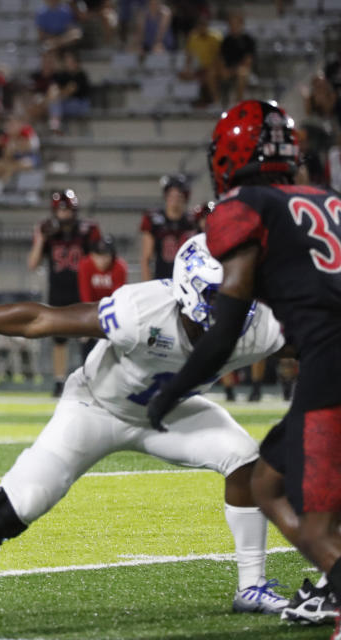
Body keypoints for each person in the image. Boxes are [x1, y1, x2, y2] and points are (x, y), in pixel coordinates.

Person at [0, 234, 289, 619]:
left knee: (246, 459)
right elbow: (41, 320)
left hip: (169, 412)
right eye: (222, 293)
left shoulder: (260, 326)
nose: (236, 301)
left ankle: (251, 586)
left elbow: (318, 344)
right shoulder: (141, 310)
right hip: (94, 408)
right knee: (16, 506)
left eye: (241, 288)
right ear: (188, 291)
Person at [144, 101, 341, 637]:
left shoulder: (243, 206)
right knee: (268, 483)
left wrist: (172, 392)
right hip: (324, 360)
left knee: (318, 522)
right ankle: (330, 589)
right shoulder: (325, 197)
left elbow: (226, 325)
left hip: (331, 367)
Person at [28, 189, 101, 396]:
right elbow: (32, 263)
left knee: (86, 339)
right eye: (61, 211)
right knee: (59, 341)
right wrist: (40, 238)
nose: (65, 215)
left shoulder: (87, 230)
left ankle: (89, 380)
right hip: (58, 291)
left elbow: (98, 259)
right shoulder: (48, 232)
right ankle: (60, 382)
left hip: (83, 291)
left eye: (68, 210)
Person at [139, 173, 198, 281]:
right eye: (171, 195)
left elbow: (211, 207)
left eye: (178, 195)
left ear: (185, 197)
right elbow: (146, 259)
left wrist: (208, 209)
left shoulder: (193, 220)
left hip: (188, 279)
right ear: (166, 196)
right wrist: (147, 285)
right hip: (162, 279)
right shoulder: (154, 220)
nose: (175, 199)